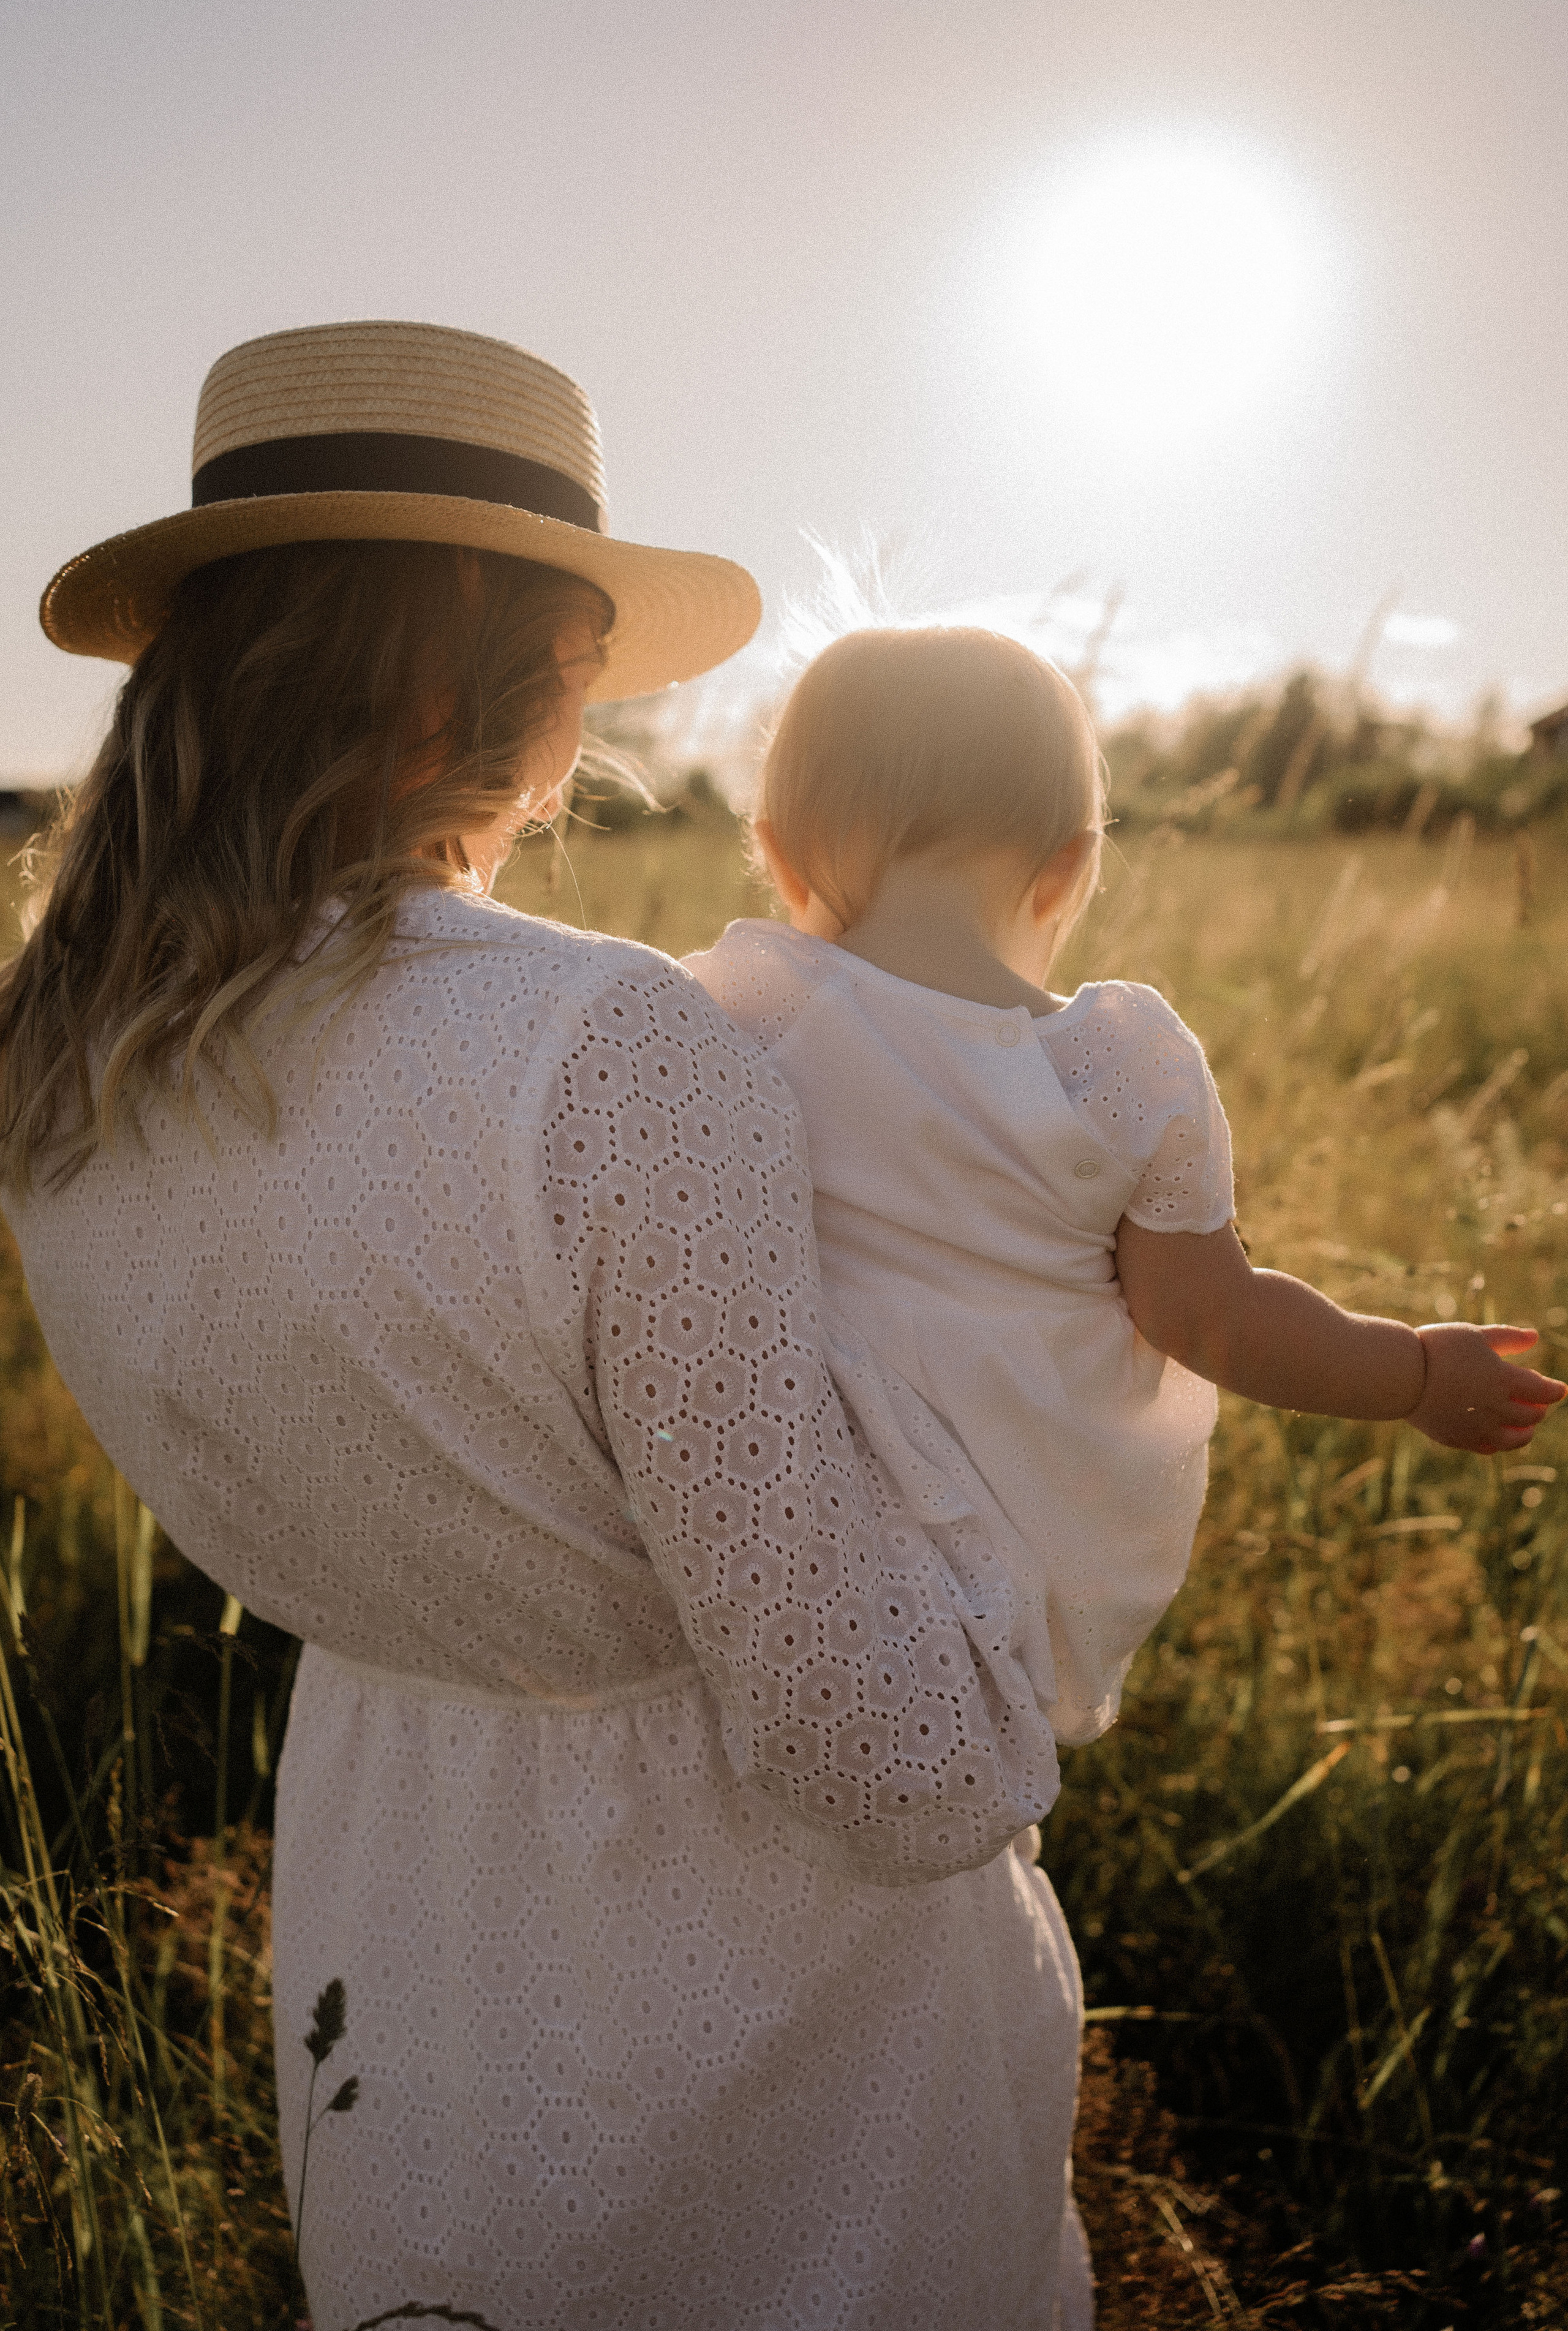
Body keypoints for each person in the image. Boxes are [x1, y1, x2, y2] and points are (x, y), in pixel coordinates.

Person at [0, 325, 1091, 2329]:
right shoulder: (604, 1049)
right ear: (461, 665)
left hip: (396, 1903)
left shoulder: (65, 1069)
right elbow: (889, 1763)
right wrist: (1036, 1609)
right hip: (748, 1992)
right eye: (583, 656)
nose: (585, 731)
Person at [686, 625, 1563, 1747]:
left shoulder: (733, 1012)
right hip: (1008, 1569)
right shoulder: (1113, 1065)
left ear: (777, 852)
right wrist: (1415, 1372)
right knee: (963, 1790)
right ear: (1068, 868)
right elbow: (1213, 1316)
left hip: (769, 1520)